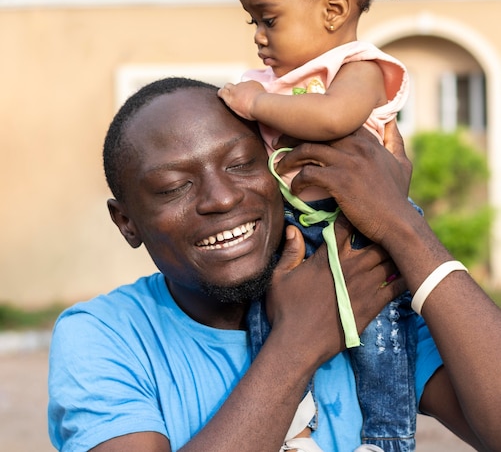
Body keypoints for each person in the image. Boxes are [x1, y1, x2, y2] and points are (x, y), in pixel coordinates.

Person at [48, 77, 501, 452]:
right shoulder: (104, 336)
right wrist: (300, 340)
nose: (221, 198)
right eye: (173, 187)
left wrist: (401, 223)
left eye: (243, 164)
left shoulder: (365, 298)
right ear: (127, 223)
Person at [217, 0, 441, 451]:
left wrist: (260, 105)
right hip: (295, 229)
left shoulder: (357, 68)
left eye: (269, 19)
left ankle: (386, 436)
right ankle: (293, 427)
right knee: (268, 326)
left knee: (378, 339)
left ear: (334, 9)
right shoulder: (269, 80)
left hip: (361, 230)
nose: (260, 38)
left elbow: (336, 118)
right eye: (253, 24)